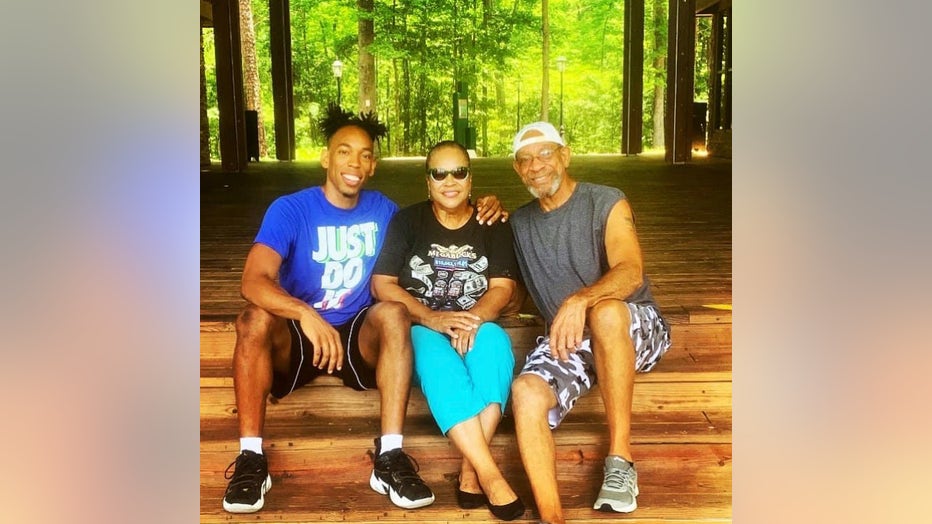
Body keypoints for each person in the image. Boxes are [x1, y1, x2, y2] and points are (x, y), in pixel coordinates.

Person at [221, 105, 507, 514]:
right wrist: (304, 314)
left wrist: (486, 206)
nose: (354, 163)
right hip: (300, 332)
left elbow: (437, 218)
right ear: (325, 158)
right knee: (252, 319)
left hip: (359, 335)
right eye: (344, 152)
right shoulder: (291, 209)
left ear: (373, 166)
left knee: (393, 313)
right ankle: (251, 457)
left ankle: (390, 456)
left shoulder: (387, 212)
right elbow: (252, 282)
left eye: (365, 155)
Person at [506, 122, 671, 523]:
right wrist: (484, 214)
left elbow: (630, 271)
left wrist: (580, 299)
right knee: (525, 392)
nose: (536, 166)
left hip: (633, 324)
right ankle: (552, 517)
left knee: (605, 313)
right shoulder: (519, 224)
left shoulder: (606, 201)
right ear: (517, 169)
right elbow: (509, 294)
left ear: (565, 155)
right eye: (525, 160)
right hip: (570, 340)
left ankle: (620, 460)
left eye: (545, 154)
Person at [371, 141, 525, 521]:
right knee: (435, 357)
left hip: (475, 320)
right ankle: (490, 475)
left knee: (495, 344)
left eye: (459, 172)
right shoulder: (408, 221)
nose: (450, 181)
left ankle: (470, 471)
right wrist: (430, 317)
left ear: (471, 179)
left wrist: (473, 318)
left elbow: (502, 288)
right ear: (428, 182)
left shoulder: (492, 224)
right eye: (439, 173)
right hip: (422, 325)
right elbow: (383, 284)